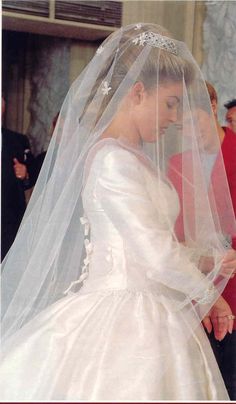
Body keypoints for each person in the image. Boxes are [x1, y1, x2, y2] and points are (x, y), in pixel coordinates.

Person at [0, 23, 236, 401]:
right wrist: (209, 295)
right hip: (126, 319)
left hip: (155, 310)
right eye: (171, 102)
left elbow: (149, 243)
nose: (175, 117)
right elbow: (156, 256)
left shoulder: (134, 158)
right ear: (138, 93)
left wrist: (206, 259)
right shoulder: (112, 160)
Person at [168, 81, 236, 399]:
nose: (189, 132)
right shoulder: (176, 165)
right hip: (196, 293)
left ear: (212, 106)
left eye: (193, 122)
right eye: (181, 126)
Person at [1, 96, 35, 261]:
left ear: (4, 106)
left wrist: (25, 174)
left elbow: (34, 176)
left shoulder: (18, 141)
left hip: (10, 220)